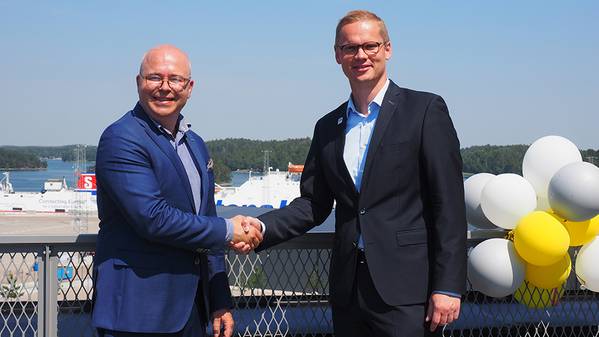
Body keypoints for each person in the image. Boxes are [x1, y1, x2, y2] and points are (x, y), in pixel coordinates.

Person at [252, 10, 467, 337]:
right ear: (338, 55)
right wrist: (261, 226)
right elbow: (313, 203)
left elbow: (448, 205)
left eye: (370, 46)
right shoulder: (327, 127)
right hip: (349, 291)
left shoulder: (424, 110)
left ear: (388, 49)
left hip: (409, 293)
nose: (361, 55)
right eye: (350, 48)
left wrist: (448, 286)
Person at [92, 45, 262, 337]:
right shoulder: (121, 138)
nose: (165, 88)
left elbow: (206, 217)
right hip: (137, 312)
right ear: (138, 82)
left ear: (190, 87)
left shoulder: (195, 143)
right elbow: (153, 218)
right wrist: (228, 230)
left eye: (175, 80)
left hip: (191, 311)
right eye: (154, 78)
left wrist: (220, 299)